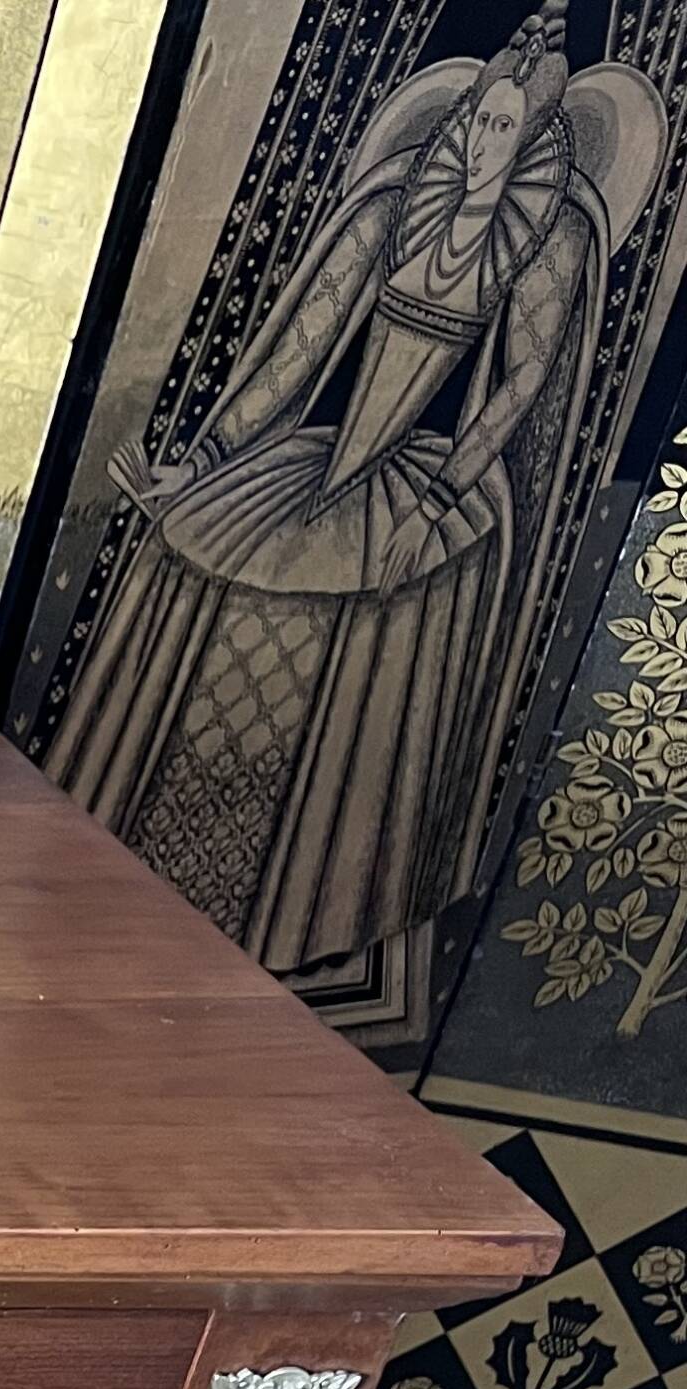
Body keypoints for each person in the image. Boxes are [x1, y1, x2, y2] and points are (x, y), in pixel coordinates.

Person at [45, 0, 652, 995]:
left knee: (369, 616)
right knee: (210, 566)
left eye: (507, 129)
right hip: (318, 468)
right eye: (478, 122)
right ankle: (135, 885)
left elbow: (517, 389)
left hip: (433, 482)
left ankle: (311, 919)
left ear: (539, 140)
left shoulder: (547, 244)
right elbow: (295, 353)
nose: (485, 142)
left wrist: (441, 498)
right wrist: (200, 467)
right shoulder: (390, 207)